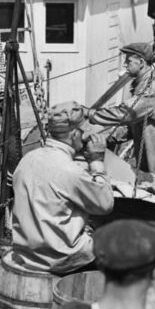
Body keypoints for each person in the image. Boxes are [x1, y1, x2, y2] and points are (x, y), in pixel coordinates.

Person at [11, 101, 114, 274]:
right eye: (84, 132)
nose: (86, 137)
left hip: (27, 253)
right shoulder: (70, 171)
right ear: (74, 134)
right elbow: (105, 205)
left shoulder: (28, 159)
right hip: (62, 258)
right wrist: (96, 162)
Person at [88, 42, 155, 173]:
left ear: (141, 62)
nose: (124, 64)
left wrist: (90, 114)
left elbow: (126, 114)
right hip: (154, 157)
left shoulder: (150, 89)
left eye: (128, 61)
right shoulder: (142, 84)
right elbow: (132, 127)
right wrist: (108, 137)